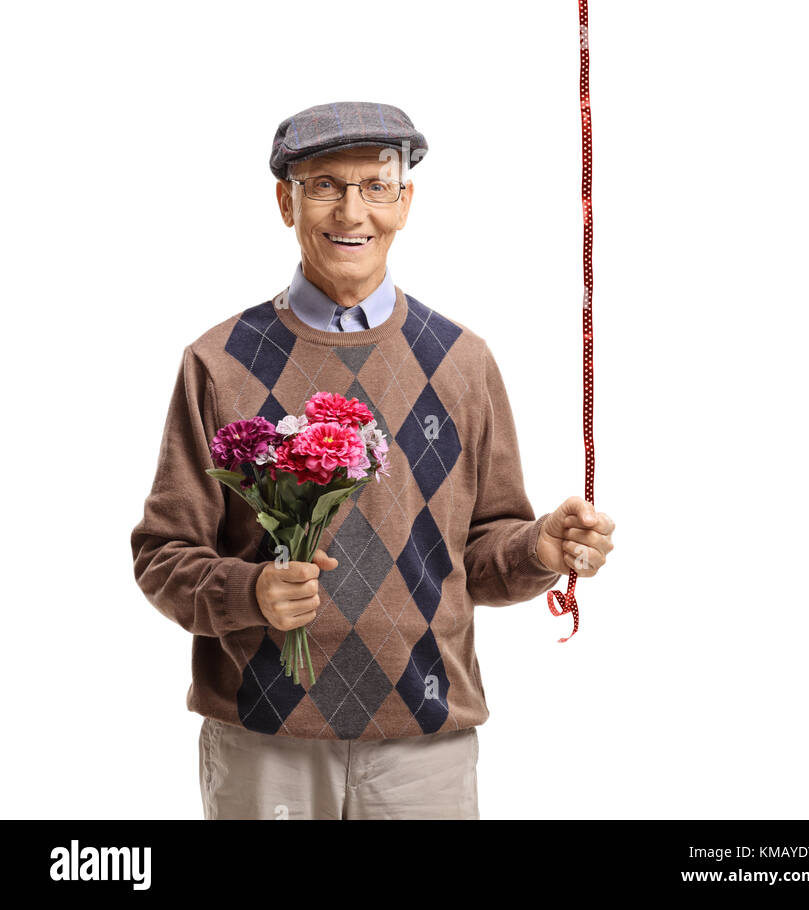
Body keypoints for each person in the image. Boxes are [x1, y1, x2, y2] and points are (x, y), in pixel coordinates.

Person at [131, 100, 616, 820]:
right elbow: (163, 556)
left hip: (426, 745)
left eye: (375, 186)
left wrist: (539, 546)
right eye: (324, 185)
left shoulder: (462, 362)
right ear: (284, 201)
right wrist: (250, 592)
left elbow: (479, 557)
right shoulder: (218, 362)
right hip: (265, 741)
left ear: (405, 202)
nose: (351, 211)